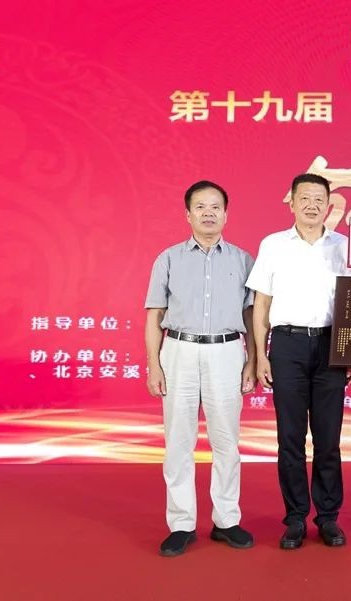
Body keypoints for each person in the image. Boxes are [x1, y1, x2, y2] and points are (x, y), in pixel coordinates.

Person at [247, 173, 351, 550]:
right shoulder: (273, 245)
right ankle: (295, 517)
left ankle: (327, 517)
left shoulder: (345, 247)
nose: (312, 205)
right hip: (287, 345)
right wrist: (261, 355)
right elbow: (261, 304)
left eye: (319, 199)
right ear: (292, 203)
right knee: (290, 439)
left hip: (331, 346)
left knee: (328, 439)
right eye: (304, 198)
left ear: (329, 205)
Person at [145, 180, 256, 557]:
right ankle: (181, 523)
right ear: (188, 214)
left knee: (226, 441)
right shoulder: (169, 259)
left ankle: (227, 520)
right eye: (200, 207)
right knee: (178, 440)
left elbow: (252, 315)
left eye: (215, 207)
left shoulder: (243, 260)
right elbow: (154, 315)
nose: (208, 213)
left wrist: (253, 360)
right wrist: (153, 364)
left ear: (226, 214)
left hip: (227, 352)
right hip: (178, 350)